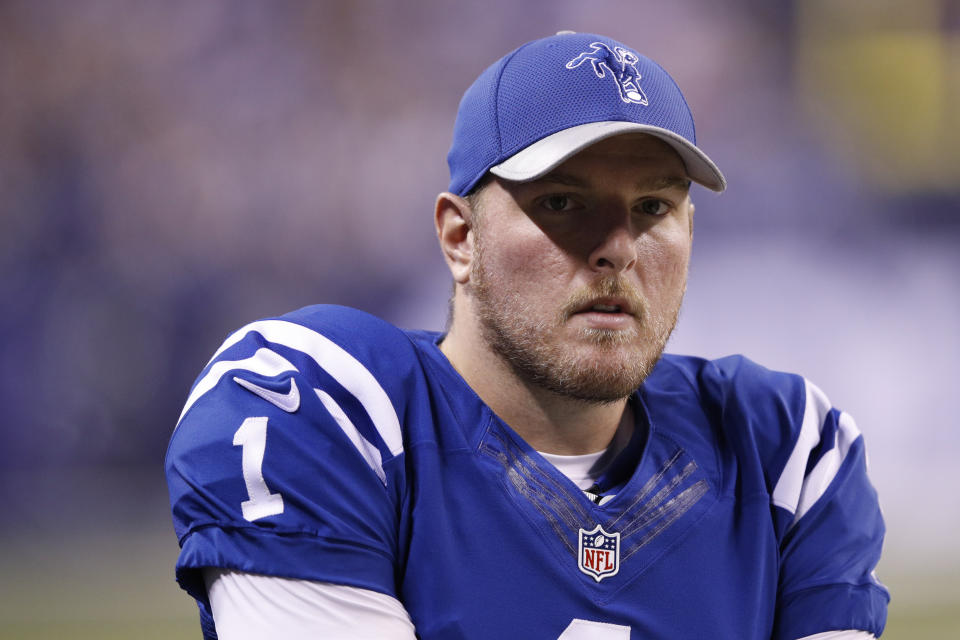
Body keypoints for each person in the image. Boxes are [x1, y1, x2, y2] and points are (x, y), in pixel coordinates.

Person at [165, 32, 889, 639]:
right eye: (563, 202)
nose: (617, 248)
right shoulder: (325, 411)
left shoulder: (780, 452)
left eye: (651, 206)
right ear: (459, 237)